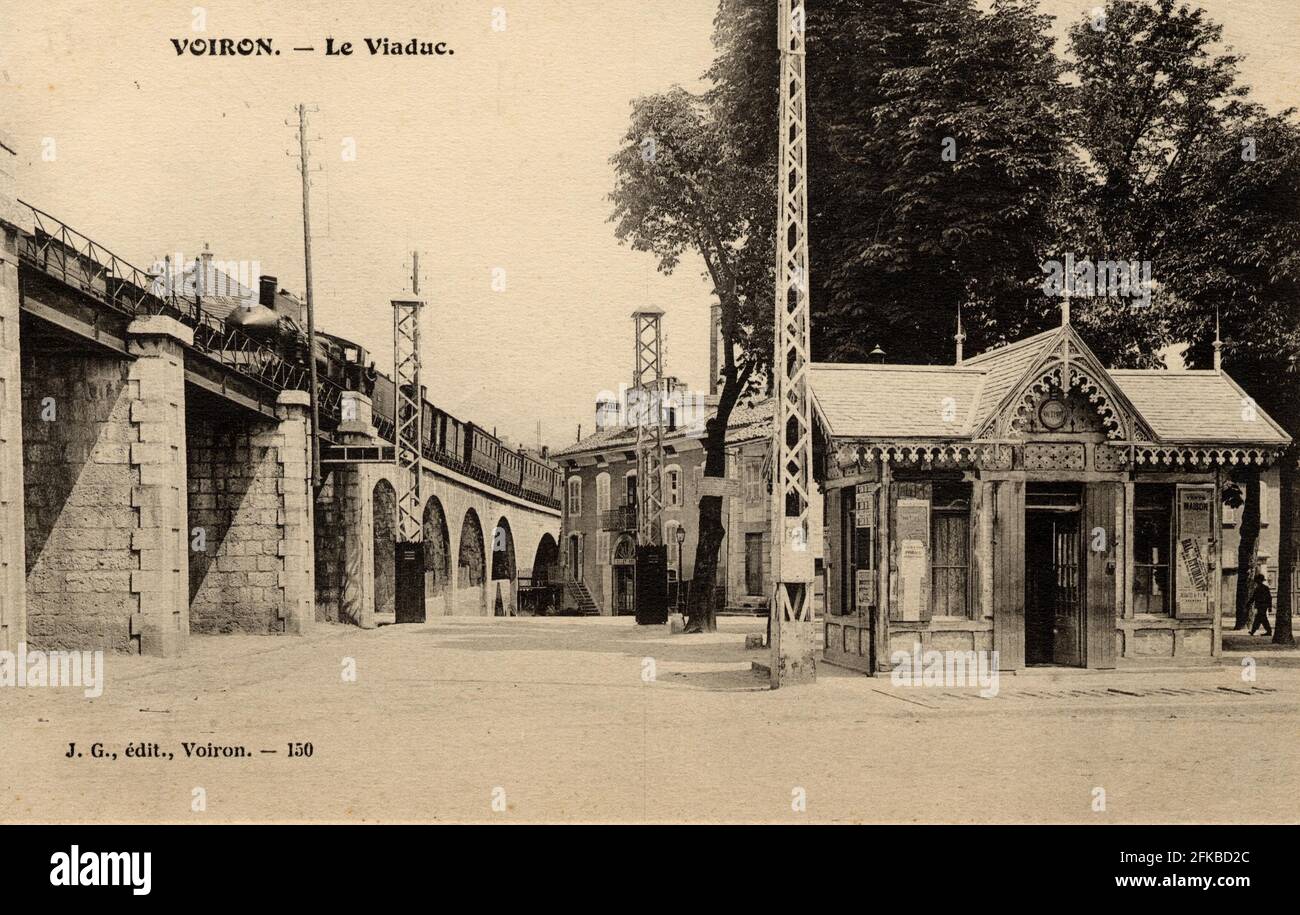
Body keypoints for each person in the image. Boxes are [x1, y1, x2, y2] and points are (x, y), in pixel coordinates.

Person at [1248, 572, 1273, 637]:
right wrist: (1269, 607)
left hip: (1262, 606)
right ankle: (1268, 631)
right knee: (1261, 618)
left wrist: (1270, 607)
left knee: (1260, 618)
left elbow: (1269, 598)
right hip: (1261, 606)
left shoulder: (1262, 588)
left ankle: (1254, 631)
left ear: (1260, 580)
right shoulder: (1261, 588)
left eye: (1257, 580)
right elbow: (1254, 597)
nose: (1257, 582)